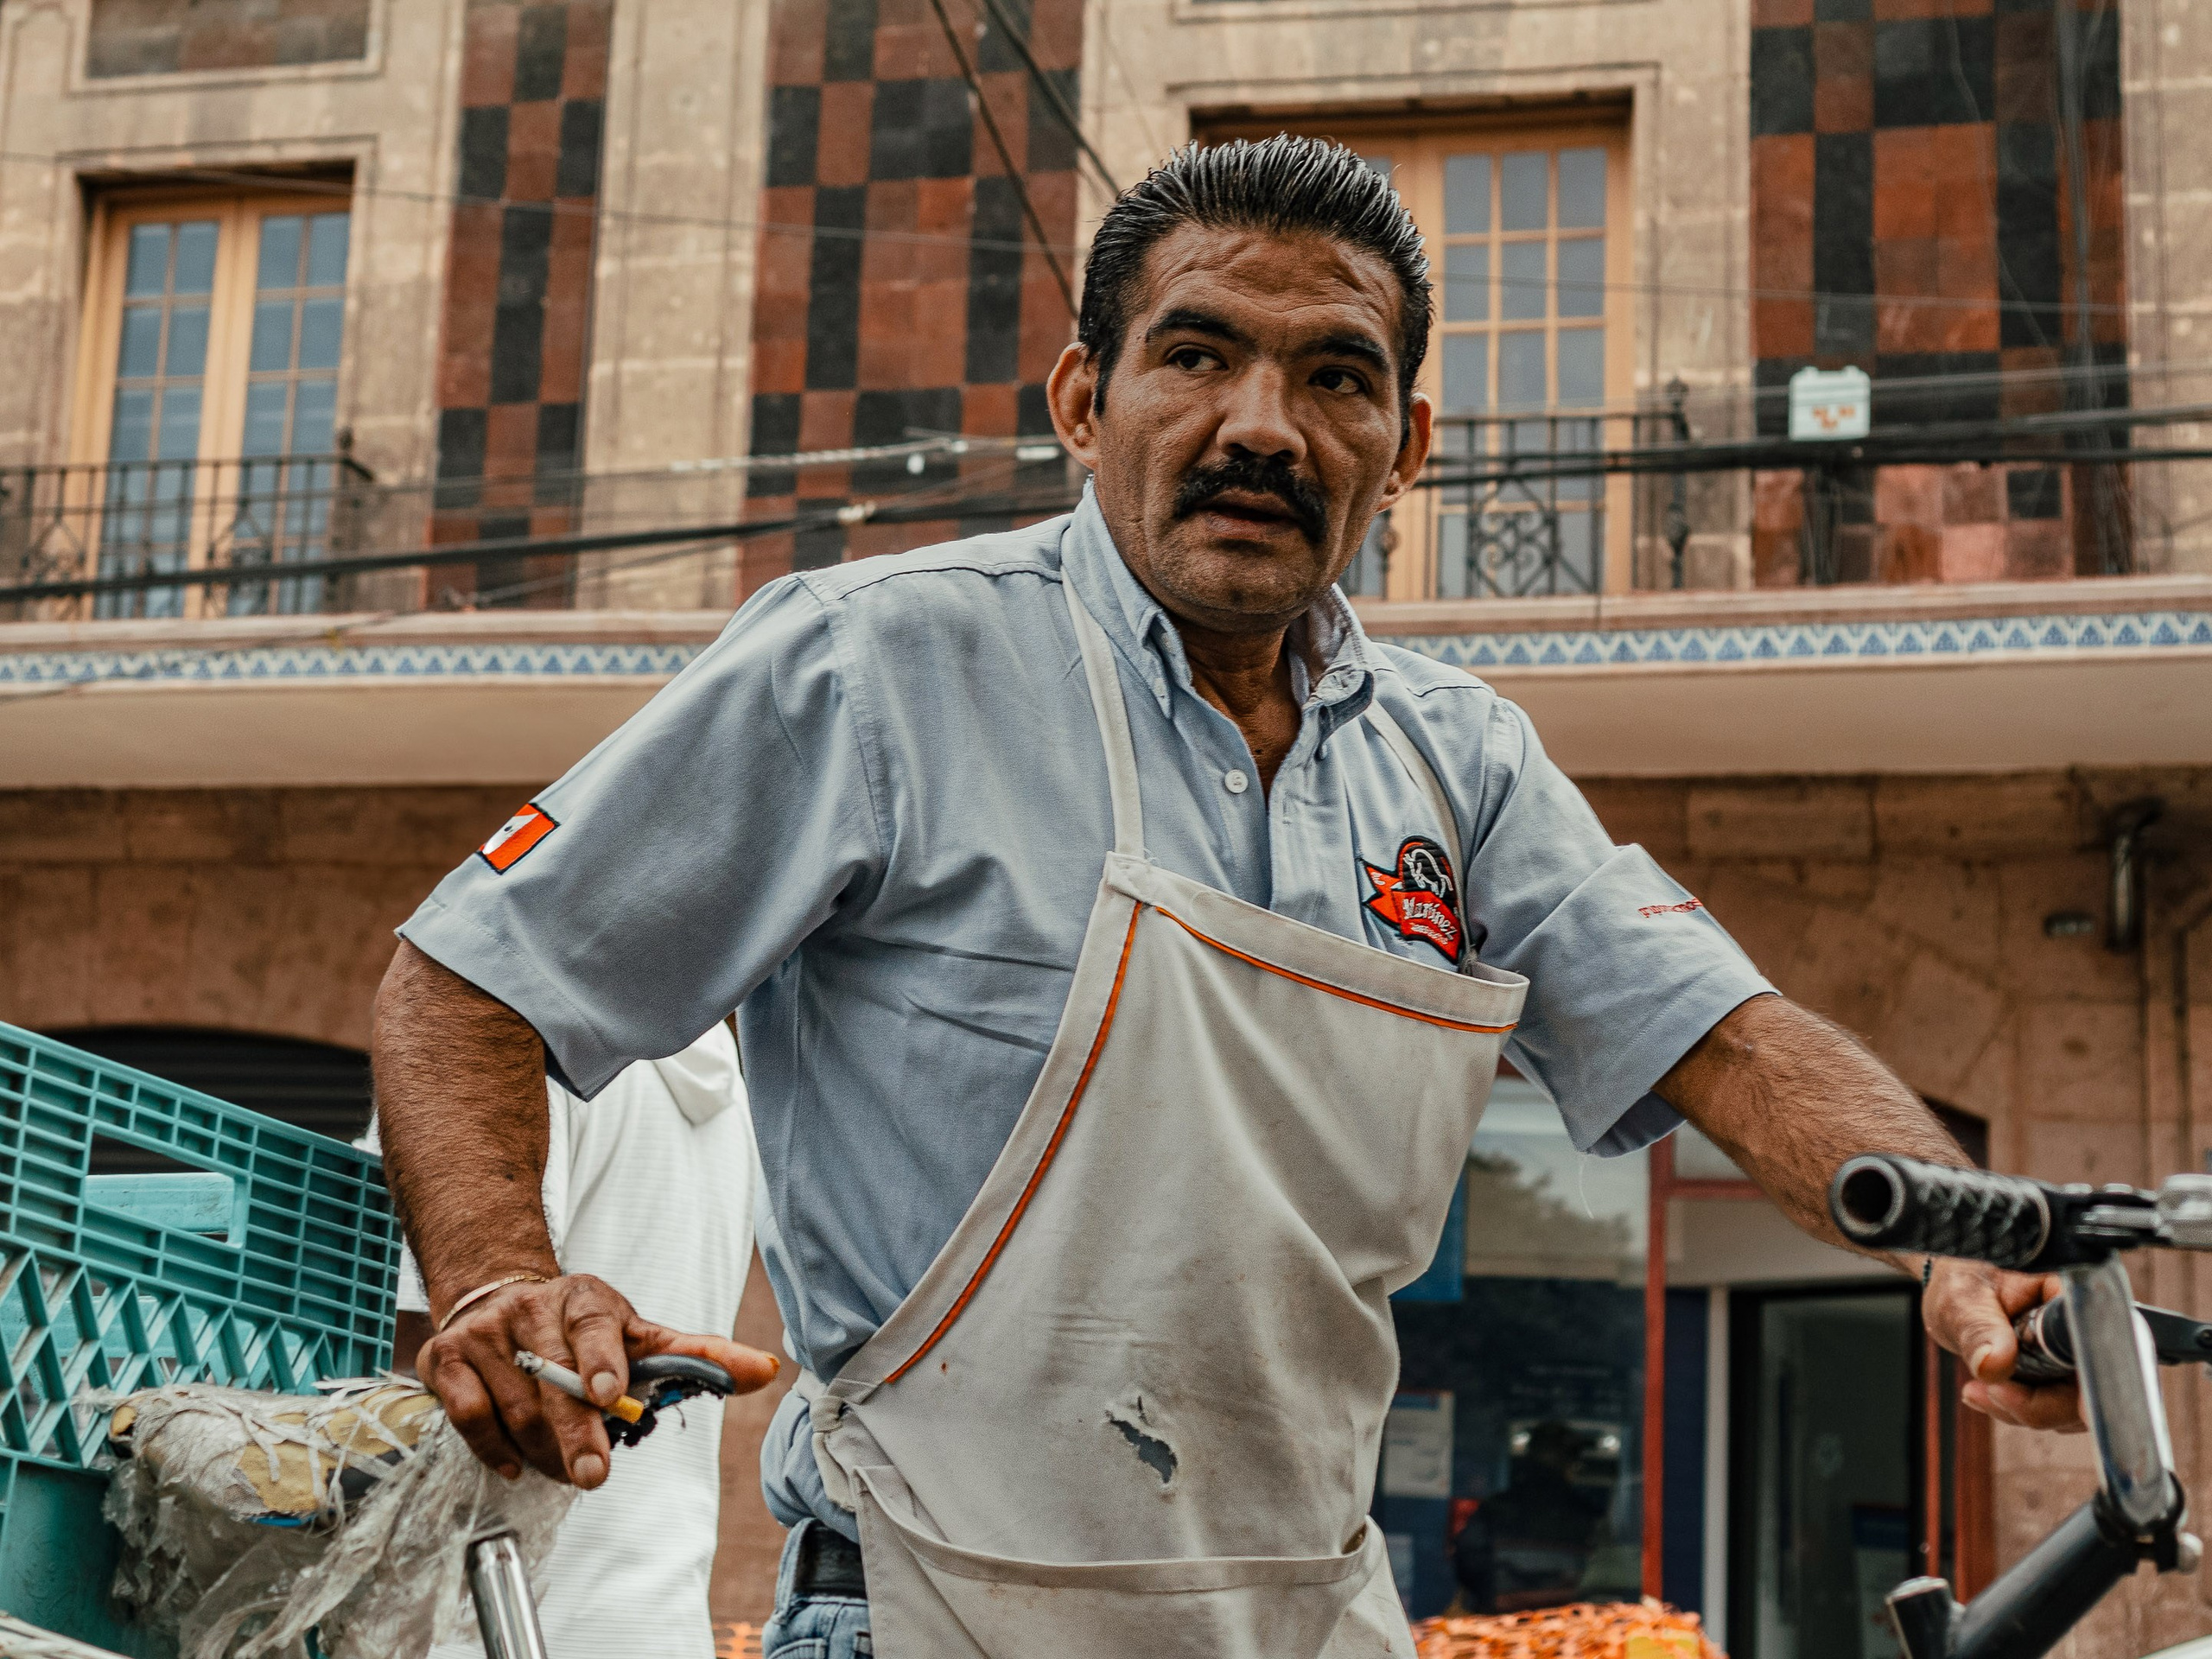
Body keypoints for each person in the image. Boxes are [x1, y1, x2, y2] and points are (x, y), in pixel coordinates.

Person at [369, 137, 2076, 1659]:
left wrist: (1968, 1244)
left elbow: (1730, 1043)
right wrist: (500, 1276)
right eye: (1196, 356)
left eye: (1335, 377)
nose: (1262, 426)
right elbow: (468, 976)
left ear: (1404, 445)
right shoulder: (871, 667)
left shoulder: (1458, 764)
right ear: (1081, 401)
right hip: (918, 1610)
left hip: (1304, 1617)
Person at [377, 1024, 759, 1659]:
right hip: (657, 1622)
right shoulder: (732, 1092)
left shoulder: (490, 1045)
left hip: (497, 1620)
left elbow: (426, 1354)